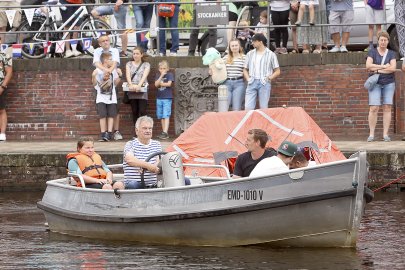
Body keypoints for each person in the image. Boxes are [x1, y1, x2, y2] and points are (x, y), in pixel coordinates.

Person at [365, 31, 397, 142]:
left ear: (388, 41)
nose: (383, 42)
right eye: (381, 40)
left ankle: (385, 134)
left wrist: (377, 69)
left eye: (385, 40)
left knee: (387, 107)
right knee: (374, 108)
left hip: (389, 83)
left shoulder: (392, 54)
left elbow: (393, 69)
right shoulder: (372, 52)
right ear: (378, 41)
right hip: (375, 84)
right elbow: (368, 66)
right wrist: (383, 67)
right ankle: (371, 134)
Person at [93, 34, 123, 141]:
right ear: (100, 43)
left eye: (107, 40)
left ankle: (111, 132)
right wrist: (105, 70)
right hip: (101, 91)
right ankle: (104, 133)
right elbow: (96, 63)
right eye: (103, 41)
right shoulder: (97, 51)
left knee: (112, 112)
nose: (106, 42)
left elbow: (115, 63)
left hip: (112, 90)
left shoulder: (114, 50)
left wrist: (111, 71)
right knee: (102, 114)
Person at [243, 34, 280, 110]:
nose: (252, 43)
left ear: (260, 42)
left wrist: (269, 78)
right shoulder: (250, 54)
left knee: (263, 108)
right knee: (248, 108)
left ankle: (262, 122)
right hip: (252, 82)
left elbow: (277, 71)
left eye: (254, 41)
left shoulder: (271, 55)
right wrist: (248, 79)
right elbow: (245, 69)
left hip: (264, 83)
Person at [123, 116, 162, 189]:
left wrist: (154, 167)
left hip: (155, 186)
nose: (148, 131)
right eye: (145, 128)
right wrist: (148, 166)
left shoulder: (157, 144)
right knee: (133, 185)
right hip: (135, 185)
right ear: (136, 130)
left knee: (185, 180)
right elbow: (129, 159)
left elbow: (159, 161)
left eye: (150, 128)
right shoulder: (130, 144)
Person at [125, 46, 150, 126]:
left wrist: (139, 85)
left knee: (142, 111)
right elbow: (128, 75)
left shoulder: (146, 64)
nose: (135, 55)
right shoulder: (129, 64)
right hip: (132, 89)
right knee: (134, 111)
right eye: (134, 54)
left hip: (142, 89)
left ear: (141, 55)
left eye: (137, 54)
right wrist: (130, 84)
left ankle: (143, 128)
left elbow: (145, 75)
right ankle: (136, 131)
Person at [223, 39, 246, 111]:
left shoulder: (244, 58)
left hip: (239, 83)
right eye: (232, 46)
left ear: (239, 46)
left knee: (236, 107)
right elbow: (218, 69)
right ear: (230, 47)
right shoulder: (225, 58)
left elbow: (248, 70)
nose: (234, 47)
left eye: (236, 45)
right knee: (224, 106)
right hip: (227, 83)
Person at [154, 60, 174, 139]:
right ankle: (163, 132)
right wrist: (161, 76)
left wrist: (160, 84)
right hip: (159, 98)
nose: (162, 70)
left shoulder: (169, 74)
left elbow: (169, 84)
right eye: (161, 68)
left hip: (167, 97)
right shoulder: (158, 75)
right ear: (159, 69)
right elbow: (156, 84)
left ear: (167, 68)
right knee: (161, 115)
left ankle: (165, 132)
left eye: (164, 68)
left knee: (166, 115)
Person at [0, 36, 12, 142]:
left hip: (0, 86)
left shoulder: (5, 54)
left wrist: (2, 87)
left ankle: (2, 133)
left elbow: (9, 72)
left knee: (1, 110)